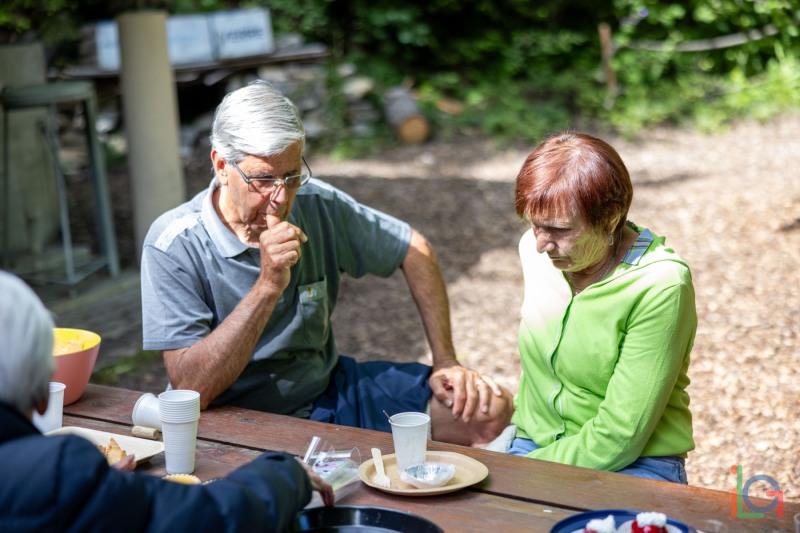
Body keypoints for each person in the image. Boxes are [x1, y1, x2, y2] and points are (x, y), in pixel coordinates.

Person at [141, 80, 513, 447]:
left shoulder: (317, 204)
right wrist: (269, 286)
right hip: (233, 417)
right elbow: (191, 389)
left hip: (327, 391)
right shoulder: (173, 244)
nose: (280, 199)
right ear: (221, 165)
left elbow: (414, 248)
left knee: (487, 409)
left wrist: (446, 359)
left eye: (291, 176)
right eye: (263, 180)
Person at [0, 270, 333, 532]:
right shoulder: (57, 472)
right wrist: (286, 475)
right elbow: (210, 519)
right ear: (42, 394)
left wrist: (101, 492)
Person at [502, 131, 696, 483]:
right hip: (531, 446)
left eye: (559, 229)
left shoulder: (661, 285)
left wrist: (515, 473)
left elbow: (621, 435)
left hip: (635, 463)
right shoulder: (537, 253)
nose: (541, 244)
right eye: (534, 224)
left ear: (610, 220)